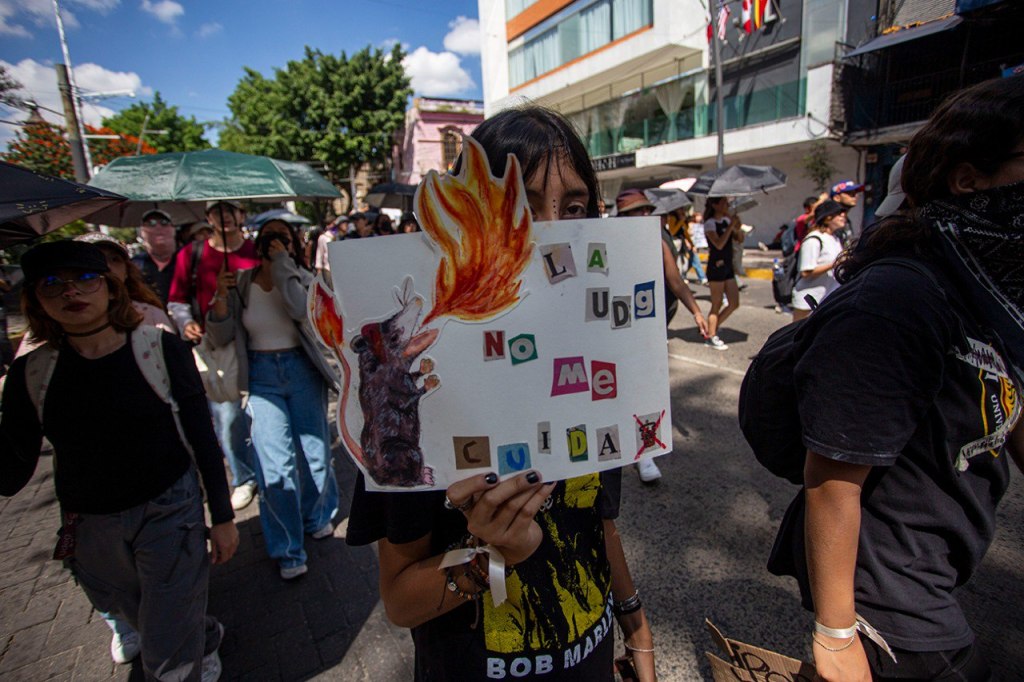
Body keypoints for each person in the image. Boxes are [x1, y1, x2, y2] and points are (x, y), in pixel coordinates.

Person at [347, 105, 657, 681]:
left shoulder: (592, 362)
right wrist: (488, 557)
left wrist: (634, 623)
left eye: (575, 207)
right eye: (525, 206)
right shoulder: (415, 379)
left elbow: (598, 519)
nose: (552, 230)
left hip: (590, 657)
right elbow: (399, 598)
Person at [767, 75, 1024, 682]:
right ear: (968, 179)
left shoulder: (990, 294)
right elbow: (832, 476)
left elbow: (1008, 406)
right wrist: (835, 636)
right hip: (886, 587)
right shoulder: (898, 298)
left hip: (936, 567)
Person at [0, 240, 239, 681]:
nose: (71, 293)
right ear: (36, 300)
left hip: (170, 512)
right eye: (53, 284)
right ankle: (201, 634)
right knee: (145, 614)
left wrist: (221, 516)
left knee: (165, 649)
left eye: (85, 279)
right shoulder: (31, 373)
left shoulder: (160, 350)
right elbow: (11, 472)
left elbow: (203, 438)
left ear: (112, 288)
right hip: (92, 530)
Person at [206, 219, 340, 580]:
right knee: (276, 467)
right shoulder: (242, 283)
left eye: (283, 237)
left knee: (315, 455)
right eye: (268, 237)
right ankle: (286, 547)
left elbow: (300, 309)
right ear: (257, 243)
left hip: (302, 372)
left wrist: (282, 265)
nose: (275, 243)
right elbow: (217, 336)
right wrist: (220, 295)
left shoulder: (301, 278)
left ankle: (317, 516)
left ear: (294, 244)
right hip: (261, 377)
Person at [168, 200, 261, 511]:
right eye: (217, 212)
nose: (226, 218)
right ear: (207, 218)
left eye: (232, 210)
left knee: (259, 416)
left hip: (258, 345)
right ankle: (243, 477)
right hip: (218, 349)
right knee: (227, 417)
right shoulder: (191, 254)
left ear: (242, 215)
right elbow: (177, 301)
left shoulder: (256, 250)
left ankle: (264, 469)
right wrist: (187, 323)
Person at [615, 189, 708, 484]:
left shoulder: (657, 240)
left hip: (648, 330)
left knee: (645, 391)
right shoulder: (609, 241)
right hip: (613, 330)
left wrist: (696, 310)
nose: (645, 215)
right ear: (623, 217)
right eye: (637, 211)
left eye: (647, 210)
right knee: (615, 389)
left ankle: (644, 454)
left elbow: (676, 281)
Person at [790, 200, 846, 321]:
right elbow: (806, 272)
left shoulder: (835, 238)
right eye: (838, 213)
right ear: (827, 218)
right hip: (809, 299)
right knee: (800, 336)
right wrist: (836, 262)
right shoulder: (814, 239)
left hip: (827, 299)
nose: (843, 216)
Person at [702, 196, 741, 350]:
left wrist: (737, 226)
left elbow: (739, 239)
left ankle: (712, 327)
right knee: (716, 303)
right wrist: (731, 226)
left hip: (728, 265)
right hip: (716, 266)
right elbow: (718, 244)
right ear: (715, 205)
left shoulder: (726, 220)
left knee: (734, 302)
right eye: (724, 203)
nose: (727, 205)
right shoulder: (710, 223)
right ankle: (711, 336)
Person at [132, 209, 178, 306]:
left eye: (164, 223)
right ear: (141, 232)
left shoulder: (188, 259)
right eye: (151, 223)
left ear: (173, 229)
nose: (158, 227)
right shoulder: (135, 265)